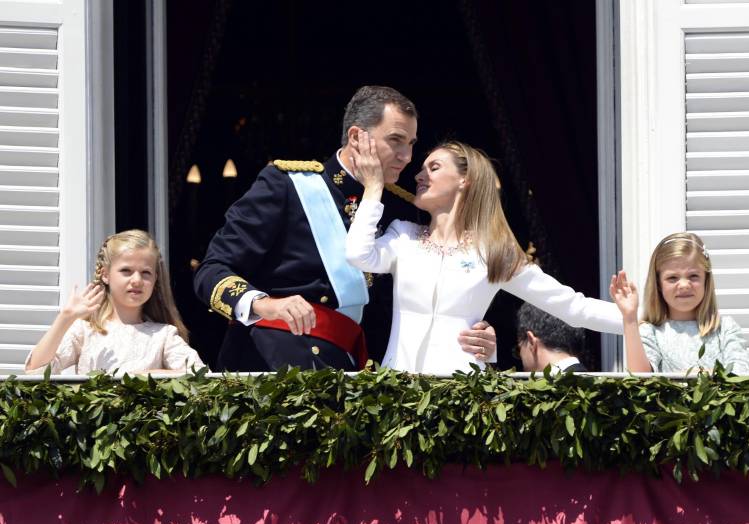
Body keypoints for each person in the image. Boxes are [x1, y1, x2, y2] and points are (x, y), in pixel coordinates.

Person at [193, 85, 497, 371]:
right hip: (269, 368)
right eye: (395, 140)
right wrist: (264, 304)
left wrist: (474, 331)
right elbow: (212, 271)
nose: (406, 156)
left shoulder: (403, 210)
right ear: (356, 137)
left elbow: (436, 291)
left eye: (411, 144)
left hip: (354, 378)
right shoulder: (288, 185)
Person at [345, 138, 623, 374]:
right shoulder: (402, 236)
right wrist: (373, 189)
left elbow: (573, 307)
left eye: (434, 167)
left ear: (465, 180)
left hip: (461, 399)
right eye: (421, 169)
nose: (419, 176)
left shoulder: (492, 251)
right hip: (401, 398)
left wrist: (644, 320)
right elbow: (358, 255)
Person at [26, 230, 204, 374]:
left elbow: (199, 375)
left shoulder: (163, 335)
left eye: (146, 273)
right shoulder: (85, 330)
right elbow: (36, 372)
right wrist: (65, 318)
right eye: (126, 271)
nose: (137, 280)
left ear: (155, 279)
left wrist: (142, 376)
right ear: (105, 274)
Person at [610, 232, 749, 374]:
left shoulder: (724, 329)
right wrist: (629, 318)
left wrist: (697, 375)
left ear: (706, 280)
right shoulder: (651, 332)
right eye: (672, 278)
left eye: (693, 276)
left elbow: (741, 374)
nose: (684, 285)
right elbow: (640, 379)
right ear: (658, 284)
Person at [514, 302, 588, 372]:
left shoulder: (557, 384)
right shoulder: (594, 381)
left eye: (518, 349)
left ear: (531, 342)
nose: (520, 357)